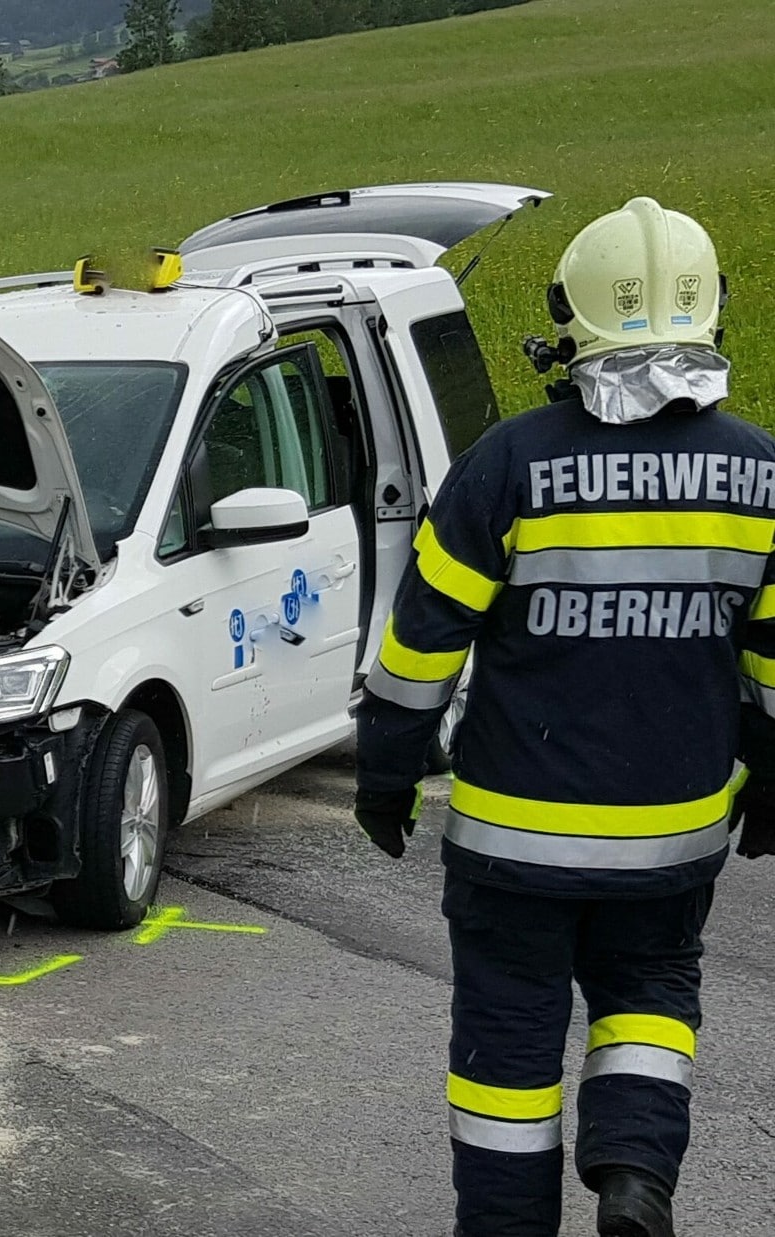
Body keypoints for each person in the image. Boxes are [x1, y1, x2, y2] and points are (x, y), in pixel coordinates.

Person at [355, 198, 774, 1237]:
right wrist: (772, 775)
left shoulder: (508, 463)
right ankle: (633, 1173)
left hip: (513, 839)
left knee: (508, 1045)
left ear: (566, 316)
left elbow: (420, 648)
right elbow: (773, 659)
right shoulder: (760, 472)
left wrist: (384, 773)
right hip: (672, 833)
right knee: (648, 997)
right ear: (711, 309)